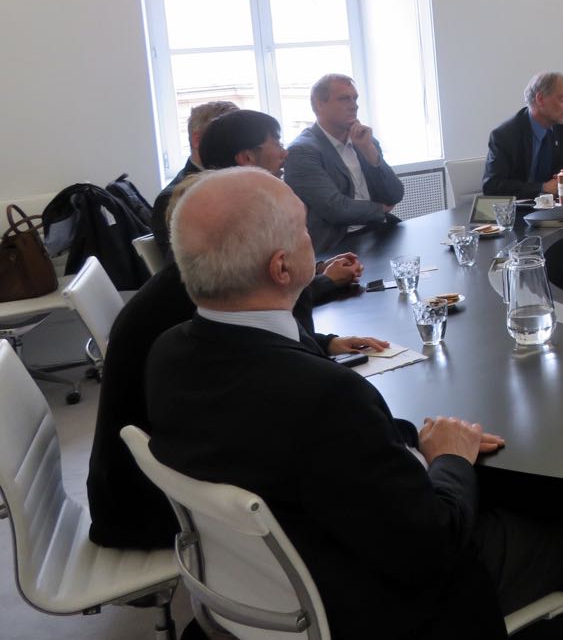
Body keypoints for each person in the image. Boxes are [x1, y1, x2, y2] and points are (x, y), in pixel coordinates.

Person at [147, 167, 563, 640]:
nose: (312, 238)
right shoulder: (323, 395)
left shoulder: (168, 354)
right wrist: (450, 458)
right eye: (302, 230)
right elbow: (433, 546)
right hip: (386, 619)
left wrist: (408, 444)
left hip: (277, 592)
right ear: (282, 268)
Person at [88, 115, 378, 553]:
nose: (311, 241)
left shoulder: (197, 293)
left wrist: (323, 342)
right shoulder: (199, 306)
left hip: (142, 485)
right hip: (161, 510)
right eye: (301, 230)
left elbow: (249, 339)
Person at [284, 73, 404, 253]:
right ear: (319, 104)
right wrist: (381, 209)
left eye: (355, 98)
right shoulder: (302, 151)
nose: (354, 105)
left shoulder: (364, 140)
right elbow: (335, 208)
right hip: (337, 244)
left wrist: (368, 150)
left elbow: (394, 194)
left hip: (378, 230)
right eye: (344, 99)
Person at [151, 99, 237, 258]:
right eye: (227, 136)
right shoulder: (174, 198)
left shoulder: (231, 183)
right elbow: (190, 267)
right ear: (198, 140)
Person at [483, 71, 563, 197]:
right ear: (540, 99)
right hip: (522, 206)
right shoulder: (505, 135)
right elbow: (492, 186)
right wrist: (542, 188)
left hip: (556, 205)